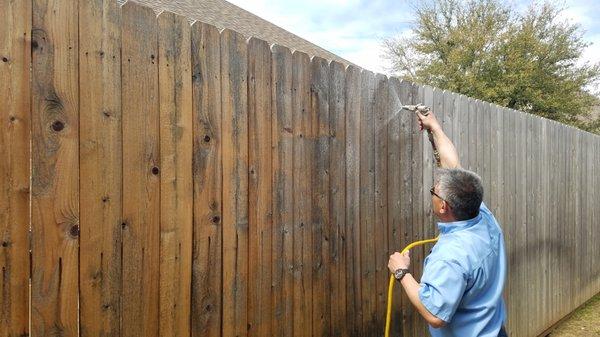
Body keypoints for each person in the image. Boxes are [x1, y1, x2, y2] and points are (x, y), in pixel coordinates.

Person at [387, 110, 508, 337]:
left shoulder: (450, 256)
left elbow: (436, 315)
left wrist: (402, 272)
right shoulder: (482, 216)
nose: (433, 191)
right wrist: (435, 128)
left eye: (434, 191)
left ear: (444, 207)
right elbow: (453, 165)